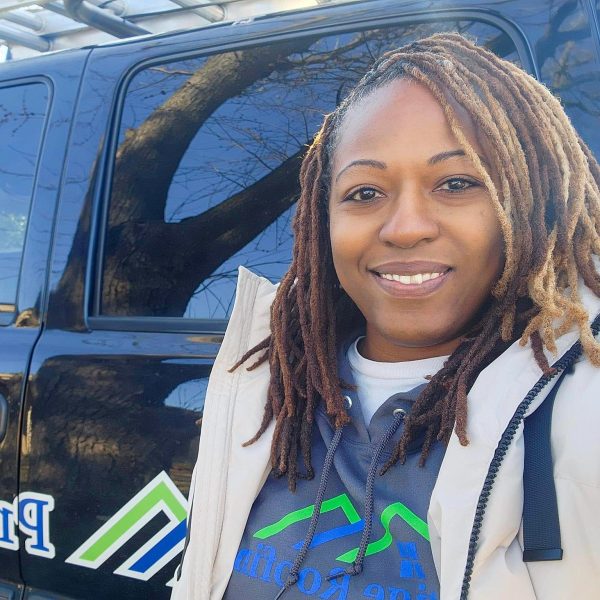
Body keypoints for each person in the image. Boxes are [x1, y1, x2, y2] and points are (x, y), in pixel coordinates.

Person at [171, 32, 600, 600]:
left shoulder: (582, 405)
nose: (405, 227)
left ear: (524, 207)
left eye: (456, 183)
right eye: (365, 192)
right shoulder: (262, 388)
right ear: (321, 224)